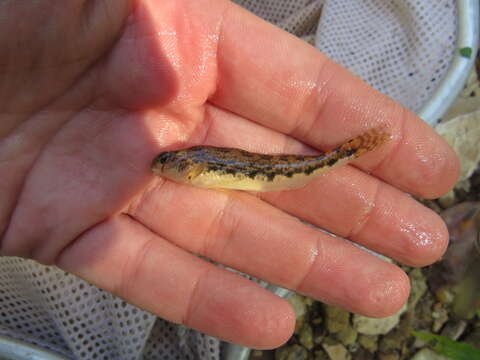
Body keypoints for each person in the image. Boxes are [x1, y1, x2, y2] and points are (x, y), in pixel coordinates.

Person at [0, 0, 459, 351]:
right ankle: (348, 153)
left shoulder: (195, 164)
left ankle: (351, 152)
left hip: (289, 166)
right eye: (168, 163)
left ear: (192, 169)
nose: (164, 167)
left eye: (170, 163)